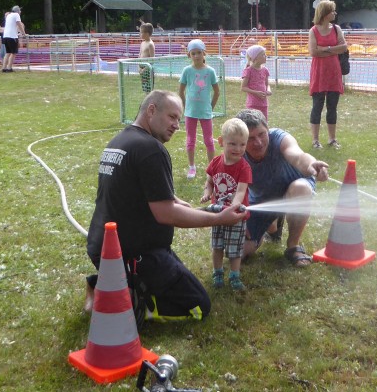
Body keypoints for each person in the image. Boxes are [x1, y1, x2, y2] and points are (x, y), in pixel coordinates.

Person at [84, 90, 247, 321]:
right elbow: (166, 214)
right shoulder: (151, 149)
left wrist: (172, 199)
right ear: (151, 110)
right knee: (199, 306)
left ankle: (107, 283)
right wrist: (220, 219)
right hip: (133, 255)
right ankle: (128, 301)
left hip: (104, 249)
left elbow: (133, 191)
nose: (176, 125)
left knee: (175, 275)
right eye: (172, 117)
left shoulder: (120, 141)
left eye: (179, 120)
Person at [237, 108, 330, 267]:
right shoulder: (236, 151)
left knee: (301, 187)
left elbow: (298, 156)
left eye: (261, 134)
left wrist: (311, 165)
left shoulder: (280, 138)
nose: (258, 142)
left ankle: (293, 246)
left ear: (268, 129)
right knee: (239, 252)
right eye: (251, 138)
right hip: (263, 200)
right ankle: (273, 224)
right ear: (242, 139)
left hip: (294, 191)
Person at [200, 118, 252, 291]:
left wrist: (233, 207)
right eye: (233, 144)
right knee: (217, 245)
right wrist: (207, 193)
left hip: (236, 215)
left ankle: (234, 276)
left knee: (235, 249)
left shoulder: (244, 167)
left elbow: (241, 191)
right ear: (221, 142)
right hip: (217, 214)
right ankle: (218, 272)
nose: (238, 149)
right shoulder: (215, 162)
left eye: (242, 144)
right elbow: (209, 182)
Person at [308, 0, 347, 150]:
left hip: (334, 73)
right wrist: (333, 49)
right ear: (325, 13)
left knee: (332, 106)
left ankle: (332, 139)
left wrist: (324, 48)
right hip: (319, 73)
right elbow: (313, 52)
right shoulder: (313, 30)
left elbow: (343, 47)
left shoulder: (337, 29)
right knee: (317, 106)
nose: (335, 13)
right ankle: (315, 140)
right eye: (332, 11)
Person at [178, 39, 219, 179]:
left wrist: (210, 107)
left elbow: (217, 91)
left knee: (208, 140)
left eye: (199, 53)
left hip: (205, 113)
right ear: (189, 55)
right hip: (191, 113)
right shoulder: (187, 71)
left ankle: (212, 167)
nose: (196, 56)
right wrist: (185, 106)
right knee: (190, 139)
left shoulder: (210, 72)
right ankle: (191, 166)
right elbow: (181, 91)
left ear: (204, 53)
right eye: (193, 53)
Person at [240, 44, 271, 120]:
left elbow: (267, 84)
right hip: (252, 104)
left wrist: (268, 90)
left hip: (263, 103)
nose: (265, 56)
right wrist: (256, 93)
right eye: (263, 55)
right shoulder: (248, 71)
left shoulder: (265, 70)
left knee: (264, 124)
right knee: (253, 125)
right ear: (255, 58)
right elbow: (243, 87)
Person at [0, 5, 25, 72]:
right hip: (12, 36)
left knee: (8, 52)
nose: (20, 11)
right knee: (13, 53)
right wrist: (23, 33)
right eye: (19, 10)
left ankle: (4, 68)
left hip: (6, 36)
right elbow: (19, 24)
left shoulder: (9, 15)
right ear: (17, 11)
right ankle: (9, 68)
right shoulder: (16, 15)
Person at [138, 22, 155, 94]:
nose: (140, 34)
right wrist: (139, 67)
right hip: (142, 69)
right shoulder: (142, 43)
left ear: (147, 33)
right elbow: (140, 54)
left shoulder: (150, 44)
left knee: (149, 90)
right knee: (144, 89)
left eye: (141, 32)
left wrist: (144, 69)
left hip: (147, 69)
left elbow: (152, 60)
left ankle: (150, 102)